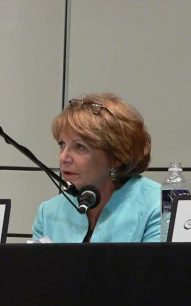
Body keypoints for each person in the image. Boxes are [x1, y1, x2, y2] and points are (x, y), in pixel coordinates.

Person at [32, 93, 160, 243]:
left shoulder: (158, 206)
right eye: (62, 144)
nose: (63, 158)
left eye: (80, 147)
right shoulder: (49, 212)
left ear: (117, 157)